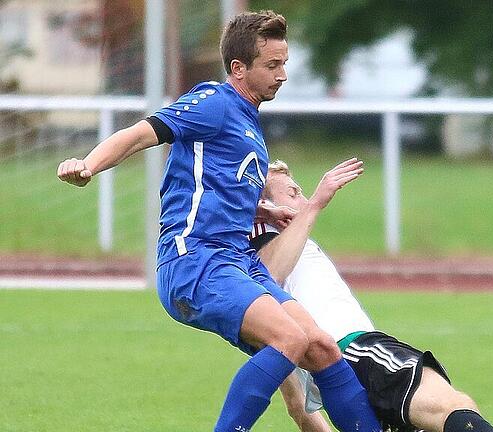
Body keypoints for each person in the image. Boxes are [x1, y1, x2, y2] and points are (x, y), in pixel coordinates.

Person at [56, 11, 381, 432]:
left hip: (235, 261)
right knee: (291, 339)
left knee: (321, 347)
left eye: (284, 63)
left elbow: (213, 186)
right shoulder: (215, 101)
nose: (282, 74)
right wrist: (88, 165)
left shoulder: (248, 121)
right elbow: (142, 132)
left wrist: (261, 210)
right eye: (272, 65)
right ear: (238, 69)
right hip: (195, 261)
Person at [251, 160, 493, 432]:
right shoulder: (262, 236)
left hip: (340, 373)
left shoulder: (274, 282)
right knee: (451, 407)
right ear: (264, 207)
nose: (305, 197)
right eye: (292, 193)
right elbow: (269, 275)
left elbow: (297, 406)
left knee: (449, 414)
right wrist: (313, 207)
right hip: (354, 350)